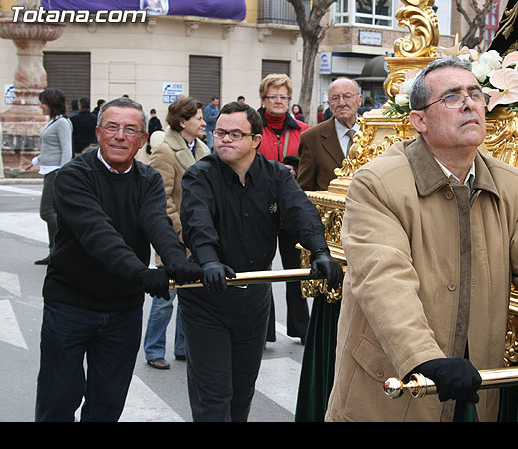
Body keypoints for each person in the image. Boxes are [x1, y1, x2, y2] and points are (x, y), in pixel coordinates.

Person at [325, 57, 518, 422]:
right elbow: (383, 279)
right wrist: (425, 358)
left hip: (471, 387)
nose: (469, 103)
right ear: (419, 119)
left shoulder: (509, 183)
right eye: (451, 97)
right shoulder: (378, 183)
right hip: (393, 386)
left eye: (475, 94)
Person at [34, 97, 201, 422]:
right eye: (112, 127)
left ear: (142, 139)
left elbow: (157, 221)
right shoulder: (72, 177)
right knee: (58, 400)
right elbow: (99, 235)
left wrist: (177, 260)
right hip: (70, 306)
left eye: (129, 129)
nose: (119, 136)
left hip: (122, 311)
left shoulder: (147, 179)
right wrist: (142, 275)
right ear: (99, 132)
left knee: (107, 405)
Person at [178, 101, 343, 422]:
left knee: (241, 393)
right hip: (206, 299)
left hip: (253, 299)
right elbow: (197, 223)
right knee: (213, 396)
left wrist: (320, 251)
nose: (225, 139)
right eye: (220, 132)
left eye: (235, 134)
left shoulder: (277, 175)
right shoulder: (199, 175)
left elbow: (301, 212)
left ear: (255, 140)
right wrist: (209, 260)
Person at [294, 77, 362, 421]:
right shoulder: (312, 137)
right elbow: (303, 190)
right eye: (334, 97)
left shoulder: (375, 132)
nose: (341, 102)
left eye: (347, 96)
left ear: (360, 99)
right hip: (332, 242)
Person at [144, 96, 209, 370]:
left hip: (199, 235)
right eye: (198, 118)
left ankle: (183, 348)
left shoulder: (204, 148)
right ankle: (154, 348)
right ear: (183, 121)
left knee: (191, 293)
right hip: (174, 236)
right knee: (165, 297)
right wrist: (180, 232)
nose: (204, 122)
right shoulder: (165, 151)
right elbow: (161, 197)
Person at [257, 74, 311, 344]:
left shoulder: (303, 130)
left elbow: (310, 166)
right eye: (272, 96)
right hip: (259, 210)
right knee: (260, 272)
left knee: (296, 273)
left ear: (290, 100)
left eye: (283, 96)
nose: (278, 101)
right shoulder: (252, 127)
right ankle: (263, 330)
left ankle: (301, 328)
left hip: (291, 212)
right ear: (263, 99)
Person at [25, 88, 72, 265]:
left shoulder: (62, 123)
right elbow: (49, 148)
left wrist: (64, 172)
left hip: (56, 171)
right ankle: (54, 251)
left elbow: (66, 149)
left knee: (47, 211)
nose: (40, 106)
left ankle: (62, 248)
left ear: (51, 104)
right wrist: (35, 160)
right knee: (50, 212)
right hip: (48, 169)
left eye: (43, 102)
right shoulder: (53, 122)